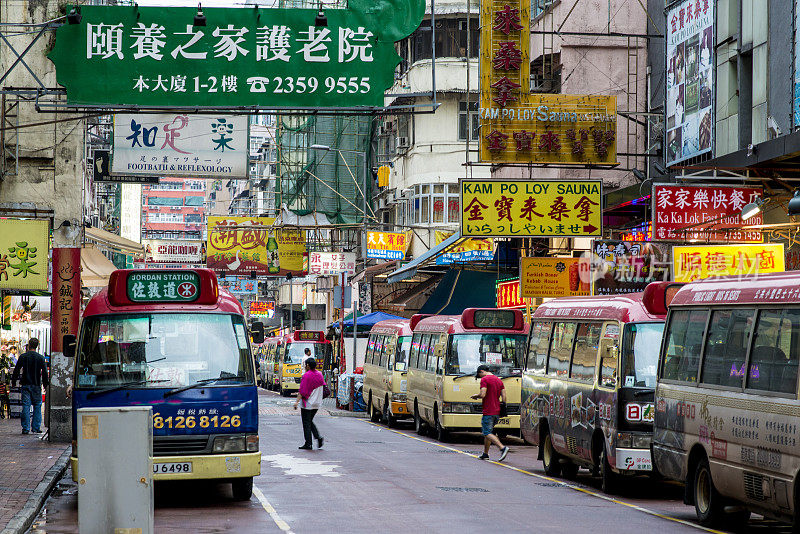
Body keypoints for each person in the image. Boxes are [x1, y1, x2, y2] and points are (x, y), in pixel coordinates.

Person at [471, 364, 509, 461]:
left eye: (479, 376)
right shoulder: (499, 380)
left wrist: (476, 396)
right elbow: (504, 396)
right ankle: (485, 453)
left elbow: (482, 394)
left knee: (486, 432)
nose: (480, 378)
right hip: (497, 411)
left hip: (489, 410)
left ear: (482, 371)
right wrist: (503, 406)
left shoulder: (485, 379)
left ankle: (502, 448)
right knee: (489, 432)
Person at [11, 338, 49, 435]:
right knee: (37, 406)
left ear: (28, 345)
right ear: (37, 346)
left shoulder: (23, 357)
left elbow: (16, 369)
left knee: (26, 406)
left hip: (26, 384)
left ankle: (26, 428)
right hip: (36, 385)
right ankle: (36, 427)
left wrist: (14, 381)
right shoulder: (40, 358)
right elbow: (44, 373)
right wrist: (45, 385)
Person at [293, 357, 325, 450]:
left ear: (307, 365)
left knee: (306, 423)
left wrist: (296, 402)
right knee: (309, 421)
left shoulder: (306, 376)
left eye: (305, 364)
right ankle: (318, 438)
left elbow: (302, 391)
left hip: (308, 404)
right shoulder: (320, 374)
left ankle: (308, 443)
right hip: (317, 403)